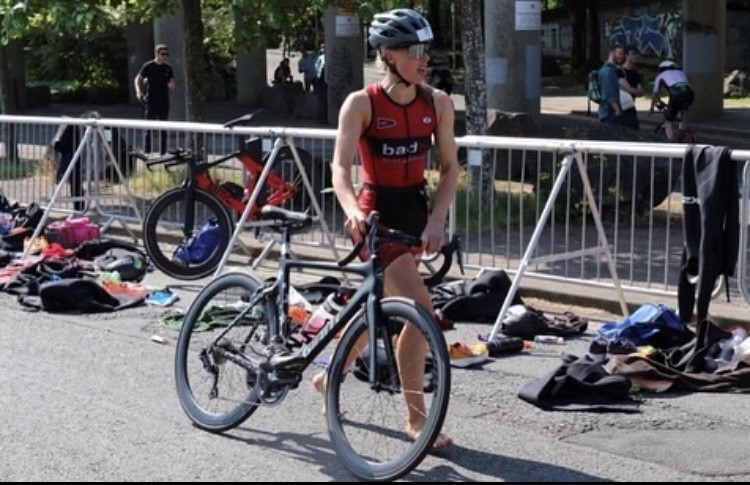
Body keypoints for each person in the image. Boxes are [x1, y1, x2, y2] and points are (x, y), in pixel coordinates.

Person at [313, 8, 459, 451]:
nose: (424, 59)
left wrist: (437, 219)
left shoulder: (437, 102)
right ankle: (416, 419)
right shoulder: (362, 103)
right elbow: (340, 168)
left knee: (388, 309)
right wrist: (350, 208)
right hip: (374, 216)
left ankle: (328, 377)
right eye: (414, 51)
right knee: (420, 308)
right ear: (389, 55)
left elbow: (451, 168)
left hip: (414, 210)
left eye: (426, 50)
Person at [134, 44, 175, 153]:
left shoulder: (168, 68)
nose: (165, 56)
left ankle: (163, 151)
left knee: (163, 127)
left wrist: (171, 84)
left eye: (166, 54)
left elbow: (171, 81)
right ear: (156, 54)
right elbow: (138, 78)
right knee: (149, 127)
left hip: (163, 100)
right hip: (151, 99)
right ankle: (147, 151)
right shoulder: (149, 66)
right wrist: (139, 91)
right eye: (163, 54)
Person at [650, 59, 695, 140]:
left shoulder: (661, 75)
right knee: (683, 110)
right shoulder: (682, 73)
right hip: (689, 93)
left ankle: (671, 142)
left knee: (668, 121)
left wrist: (652, 107)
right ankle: (682, 131)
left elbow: (655, 93)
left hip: (676, 94)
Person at [597, 44, 626, 126]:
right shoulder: (608, 71)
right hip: (610, 113)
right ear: (612, 54)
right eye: (620, 53)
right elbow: (608, 95)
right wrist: (617, 111)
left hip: (609, 112)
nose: (622, 56)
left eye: (623, 54)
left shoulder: (612, 70)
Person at [617, 45, 645, 129]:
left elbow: (641, 93)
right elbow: (629, 88)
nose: (635, 56)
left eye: (637, 54)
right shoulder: (619, 71)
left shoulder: (637, 74)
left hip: (630, 107)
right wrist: (633, 90)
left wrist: (630, 89)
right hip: (619, 108)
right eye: (632, 54)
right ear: (626, 56)